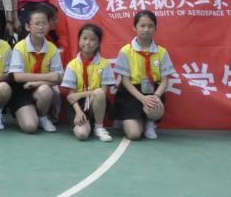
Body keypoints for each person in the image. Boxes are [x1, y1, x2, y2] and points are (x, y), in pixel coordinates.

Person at [113, 10, 176, 140]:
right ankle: (127, 120)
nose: (146, 29)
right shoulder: (126, 51)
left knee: (154, 107)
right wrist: (142, 98)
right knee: (134, 134)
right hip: (131, 93)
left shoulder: (161, 52)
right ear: (134, 27)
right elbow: (125, 81)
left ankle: (150, 122)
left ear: (155, 28)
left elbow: (164, 81)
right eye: (142, 26)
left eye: (150, 26)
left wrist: (156, 97)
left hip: (153, 91)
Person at [9, 7, 63, 133]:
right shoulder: (19, 47)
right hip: (21, 90)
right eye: (37, 24)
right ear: (28, 27)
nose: (41, 27)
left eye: (44, 23)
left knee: (45, 90)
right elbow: (17, 76)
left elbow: (58, 78)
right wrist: (48, 77)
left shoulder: (52, 48)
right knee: (30, 127)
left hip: (41, 89)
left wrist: (36, 83)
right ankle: (28, 113)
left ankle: (43, 116)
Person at [61, 23, 117, 142]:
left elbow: (103, 92)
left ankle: (99, 127)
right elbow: (71, 96)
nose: (87, 42)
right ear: (79, 40)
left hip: (95, 102)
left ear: (98, 43)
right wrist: (78, 111)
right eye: (84, 38)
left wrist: (80, 94)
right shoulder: (72, 65)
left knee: (99, 93)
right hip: (77, 105)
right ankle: (88, 123)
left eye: (92, 39)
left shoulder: (104, 64)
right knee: (82, 135)